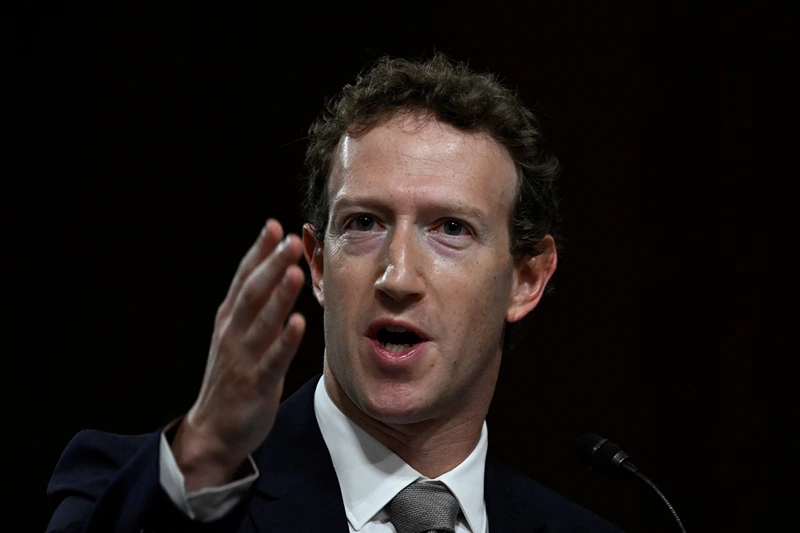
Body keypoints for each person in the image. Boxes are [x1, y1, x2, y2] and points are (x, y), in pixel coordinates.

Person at [46, 54, 624, 532]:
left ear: (526, 279)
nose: (397, 277)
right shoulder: (142, 490)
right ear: (318, 265)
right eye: (364, 223)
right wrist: (202, 456)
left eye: (451, 228)